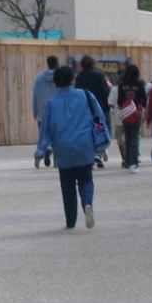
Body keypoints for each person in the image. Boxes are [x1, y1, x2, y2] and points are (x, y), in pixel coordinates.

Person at [34, 65, 101, 229]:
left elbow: (46, 131)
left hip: (63, 149)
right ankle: (87, 203)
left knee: (67, 186)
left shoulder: (52, 103)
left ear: (56, 83)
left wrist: (40, 152)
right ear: (72, 79)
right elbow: (99, 117)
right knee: (86, 179)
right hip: (84, 145)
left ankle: (70, 221)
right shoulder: (86, 95)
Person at [73, 54, 111, 167]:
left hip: (85, 108)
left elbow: (77, 93)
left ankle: (91, 154)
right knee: (100, 130)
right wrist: (107, 106)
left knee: (88, 132)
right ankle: (99, 152)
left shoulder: (79, 77)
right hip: (100, 107)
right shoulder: (99, 75)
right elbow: (105, 91)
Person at [115, 63, 147, 173]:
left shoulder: (121, 84)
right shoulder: (139, 84)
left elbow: (119, 100)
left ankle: (128, 160)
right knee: (134, 137)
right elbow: (144, 100)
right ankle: (134, 163)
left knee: (127, 137)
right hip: (136, 112)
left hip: (125, 112)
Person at [33, 55, 59, 166]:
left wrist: (35, 111)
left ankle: (46, 148)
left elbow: (35, 95)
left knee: (43, 134)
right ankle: (57, 161)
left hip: (42, 109)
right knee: (58, 135)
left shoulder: (39, 78)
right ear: (57, 63)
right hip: (57, 109)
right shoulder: (60, 77)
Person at [106, 81, 127, 166]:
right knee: (130, 137)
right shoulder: (132, 87)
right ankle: (130, 156)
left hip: (119, 116)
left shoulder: (114, 89)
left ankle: (123, 157)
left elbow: (110, 103)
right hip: (131, 116)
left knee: (120, 138)